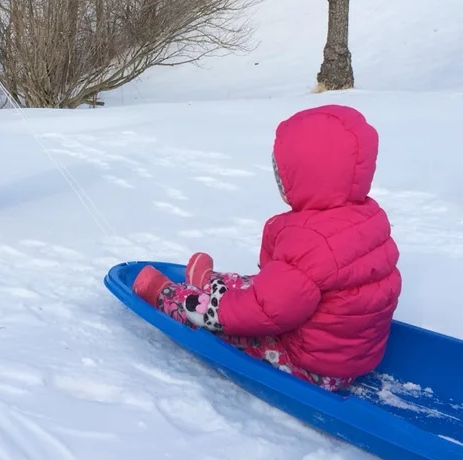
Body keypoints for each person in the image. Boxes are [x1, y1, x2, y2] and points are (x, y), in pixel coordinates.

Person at [133, 105, 401, 390]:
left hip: (308, 366)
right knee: (272, 284)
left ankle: (168, 294)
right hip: (351, 356)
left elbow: (265, 312)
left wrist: (216, 313)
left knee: (232, 310)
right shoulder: (369, 218)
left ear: (303, 175)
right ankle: (210, 282)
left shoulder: (310, 241)